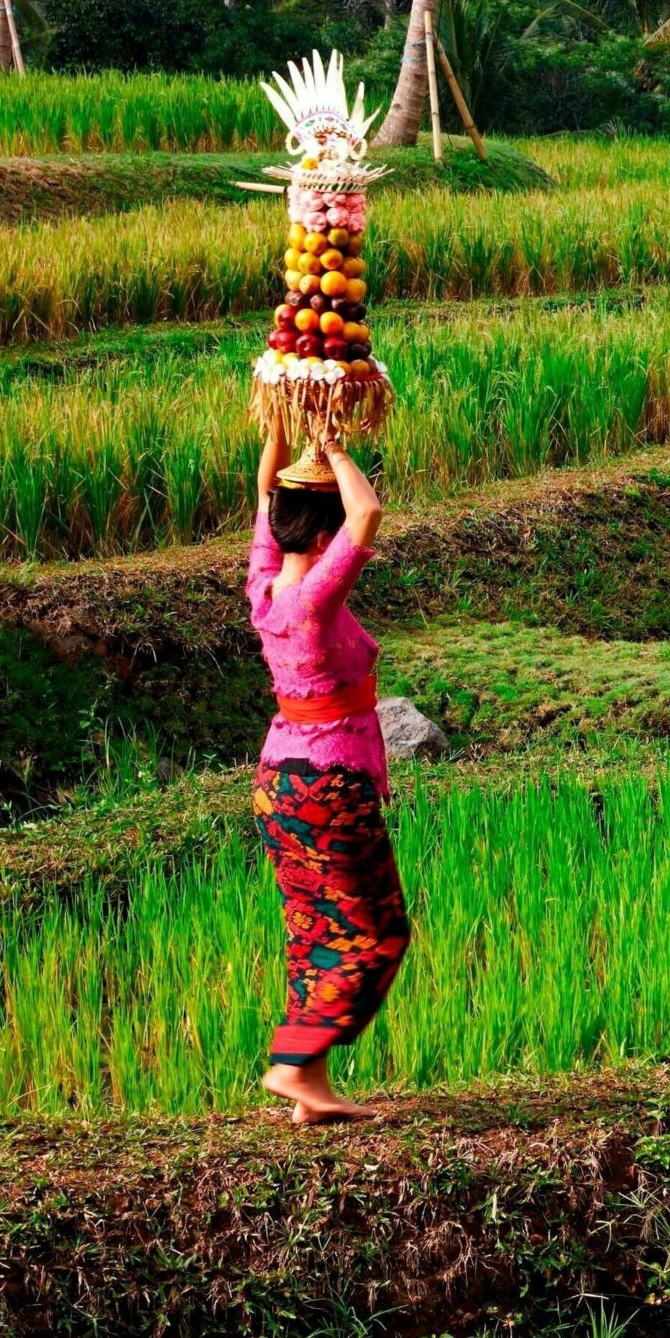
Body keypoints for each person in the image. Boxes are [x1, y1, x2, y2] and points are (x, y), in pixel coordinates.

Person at [249, 419, 406, 1123]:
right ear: (321, 539)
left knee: (314, 929)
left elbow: (263, 491)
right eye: (333, 532)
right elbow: (369, 514)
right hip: (328, 783)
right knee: (377, 933)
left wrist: (289, 434)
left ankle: (306, 1085)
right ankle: (290, 1067)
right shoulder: (313, 601)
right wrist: (335, 445)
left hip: (279, 780)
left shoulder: (264, 591)